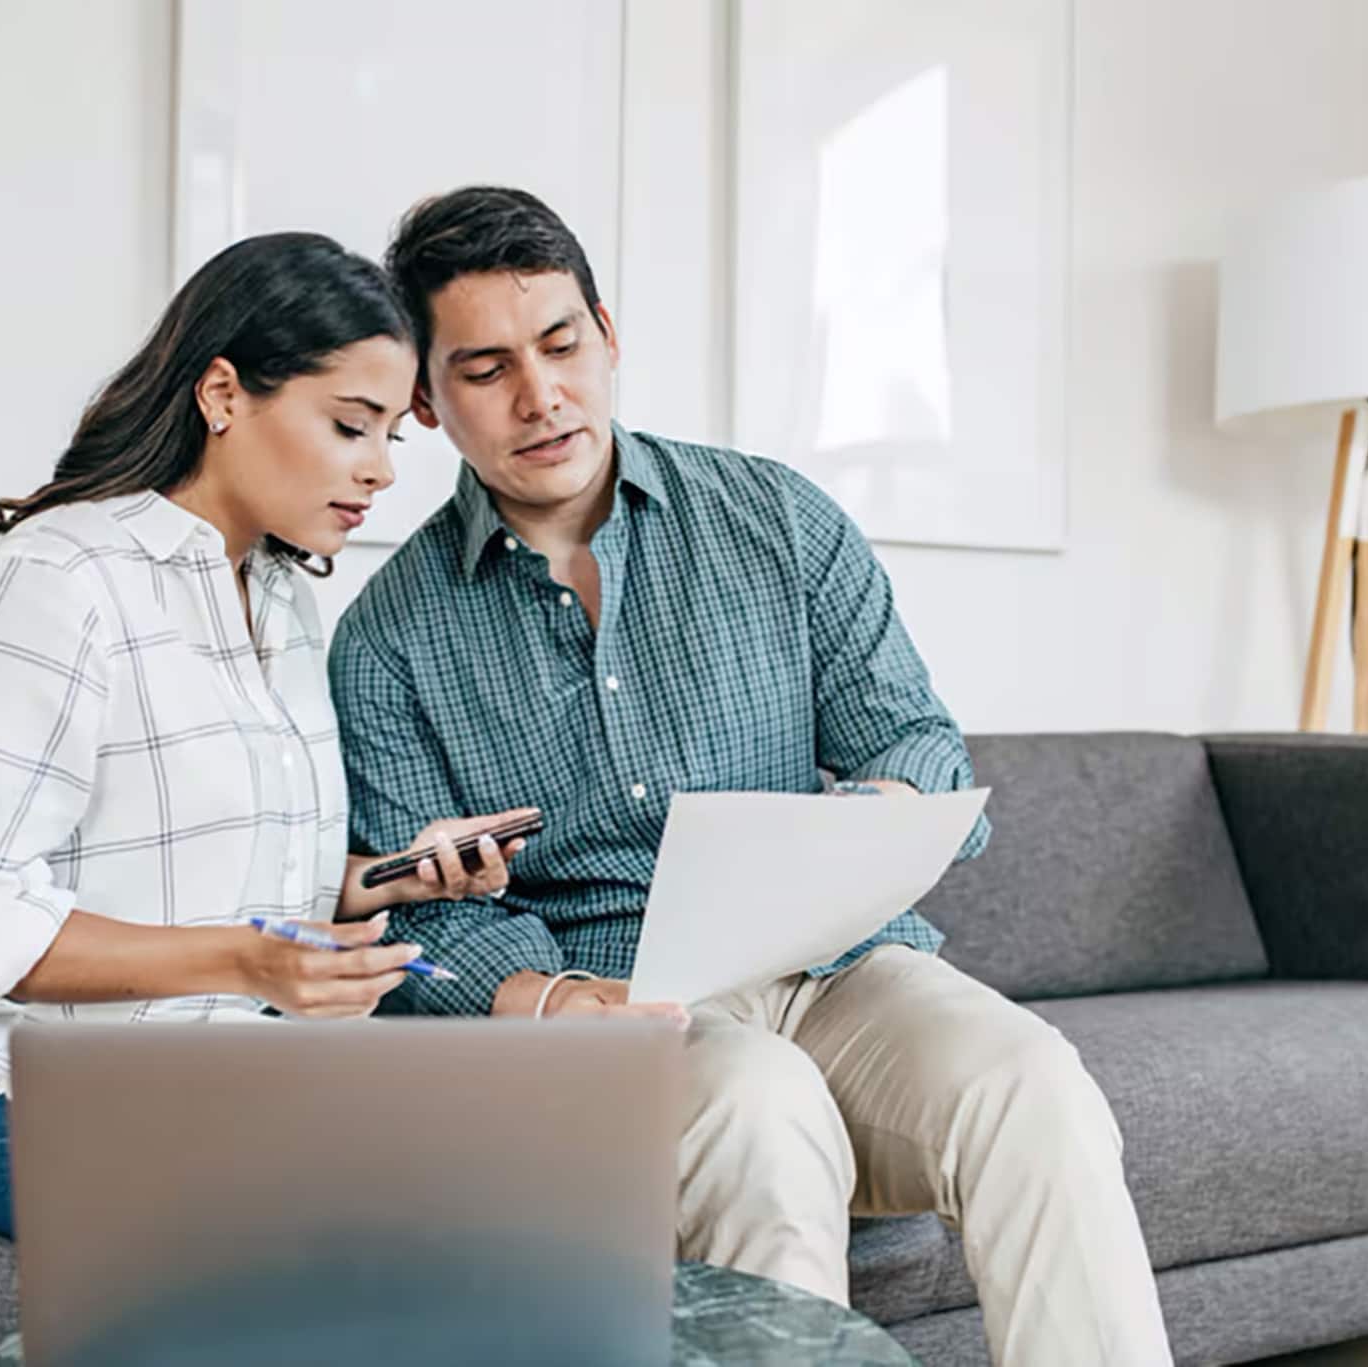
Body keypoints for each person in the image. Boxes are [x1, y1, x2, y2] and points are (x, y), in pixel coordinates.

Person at [329, 188, 1173, 1365]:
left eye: (562, 344)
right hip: (612, 1009)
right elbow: (417, 944)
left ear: (607, 334)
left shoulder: (775, 518)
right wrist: (528, 981)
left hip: (833, 969)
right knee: (759, 1106)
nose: (541, 396)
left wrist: (866, 822)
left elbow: (916, 744)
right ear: (425, 398)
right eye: (485, 368)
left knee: (1033, 1079)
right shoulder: (386, 638)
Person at [0, 232, 530, 1241]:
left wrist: (390, 877)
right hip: (18, 1094)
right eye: (350, 426)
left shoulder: (277, 598)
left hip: (229, 1072)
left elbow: (236, 889)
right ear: (223, 394)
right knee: (368, 1235)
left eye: (390, 439)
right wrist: (243, 963)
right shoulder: (60, 582)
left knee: (528, 1176)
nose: (378, 472)